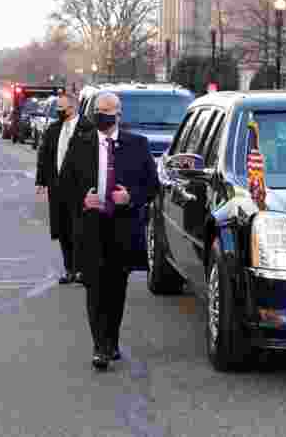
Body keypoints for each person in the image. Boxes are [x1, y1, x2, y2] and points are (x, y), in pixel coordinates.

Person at [61, 91, 160, 371]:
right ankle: (100, 347)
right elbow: (65, 183)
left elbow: (152, 186)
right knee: (94, 286)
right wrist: (83, 198)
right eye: (98, 110)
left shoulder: (137, 145)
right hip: (91, 227)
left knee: (116, 289)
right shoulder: (80, 144)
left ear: (118, 114)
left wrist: (131, 197)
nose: (102, 115)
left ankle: (112, 340)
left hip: (122, 228)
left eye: (107, 110)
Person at [35, 94, 82, 283]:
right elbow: (44, 154)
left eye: (62, 108)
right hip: (58, 188)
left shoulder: (87, 129)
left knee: (80, 230)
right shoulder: (53, 129)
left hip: (81, 188)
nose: (59, 111)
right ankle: (69, 269)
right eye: (58, 108)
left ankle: (82, 270)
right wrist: (41, 181)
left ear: (73, 108)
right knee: (63, 230)